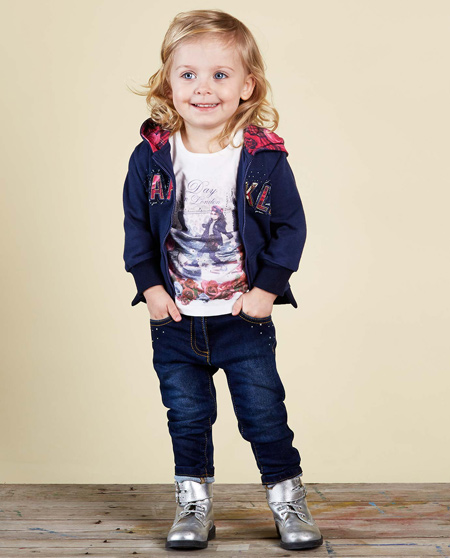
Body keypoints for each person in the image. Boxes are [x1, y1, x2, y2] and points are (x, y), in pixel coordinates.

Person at [122, 8, 323, 551]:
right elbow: (136, 226)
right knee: (187, 418)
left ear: (246, 86)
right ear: (168, 82)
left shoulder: (263, 158)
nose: (203, 88)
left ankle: (287, 500)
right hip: (176, 319)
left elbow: (291, 226)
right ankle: (194, 505)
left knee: (264, 415)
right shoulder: (151, 156)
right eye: (188, 74)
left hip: (241, 319)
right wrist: (151, 288)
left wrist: (266, 291)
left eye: (220, 74)